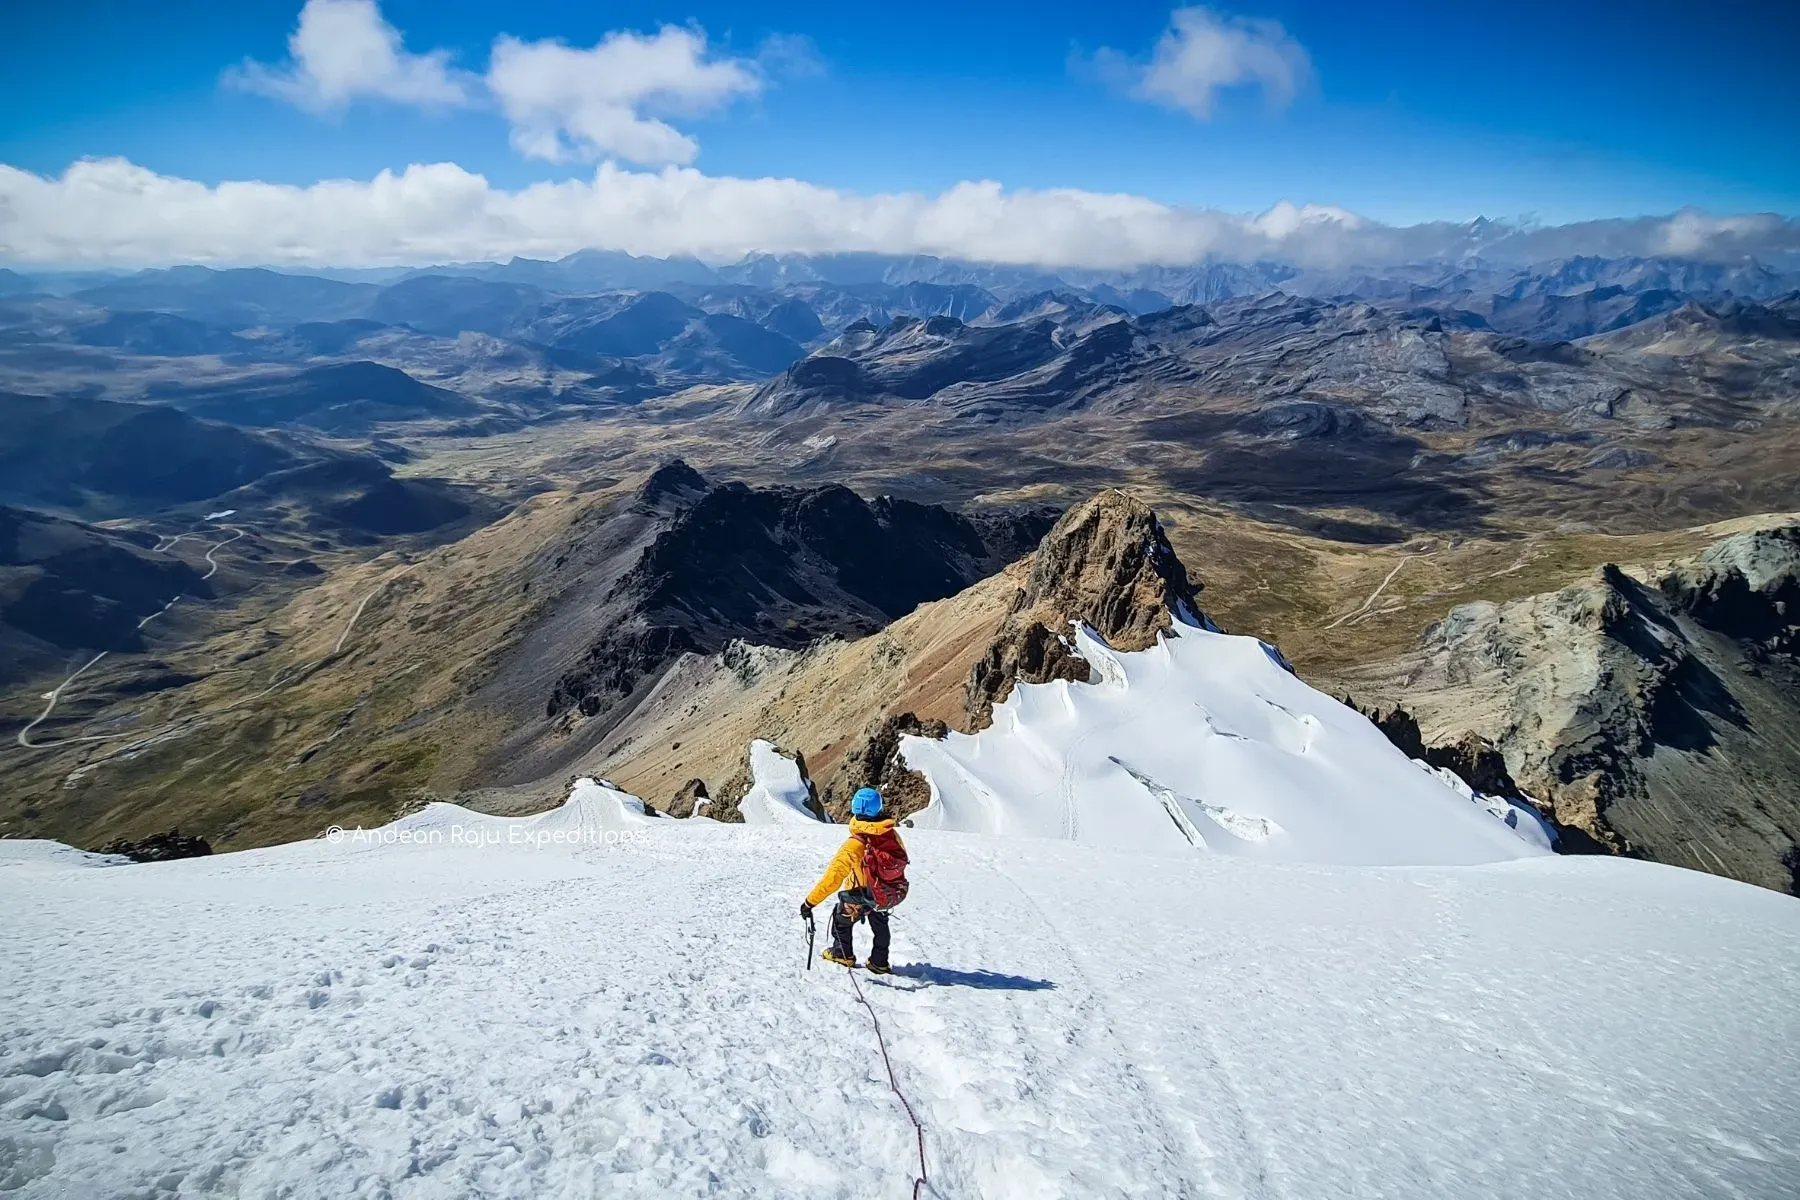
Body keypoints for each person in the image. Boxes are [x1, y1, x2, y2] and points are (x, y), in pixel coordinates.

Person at [800, 786, 907, 973]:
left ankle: (842, 954)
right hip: (883, 890)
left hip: (860, 892)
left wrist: (810, 902)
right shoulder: (890, 834)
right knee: (880, 924)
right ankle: (879, 962)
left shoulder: (855, 844)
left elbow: (833, 878)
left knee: (841, 919)